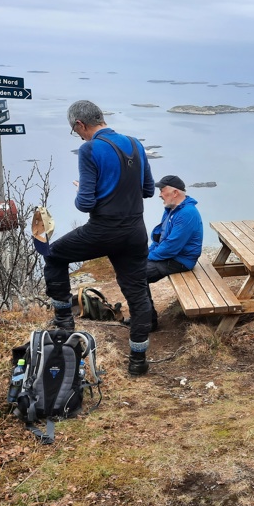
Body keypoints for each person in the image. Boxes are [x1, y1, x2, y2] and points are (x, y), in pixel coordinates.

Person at [44, 100, 155, 376]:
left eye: (75, 130)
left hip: (104, 229)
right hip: (135, 231)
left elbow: (85, 203)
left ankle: (64, 323)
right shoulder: (135, 144)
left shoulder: (89, 149)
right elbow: (149, 189)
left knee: (54, 255)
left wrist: (83, 189)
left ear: (81, 124)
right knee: (137, 292)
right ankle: (138, 361)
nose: (78, 135)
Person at [125, 175, 203, 331]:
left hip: (180, 261)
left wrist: (145, 258)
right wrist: (146, 254)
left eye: (162, 190)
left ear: (175, 192)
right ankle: (144, 318)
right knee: (132, 271)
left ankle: (147, 322)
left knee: (135, 275)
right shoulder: (171, 209)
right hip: (171, 257)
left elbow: (170, 248)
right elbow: (160, 238)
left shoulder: (186, 213)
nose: (160, 194)